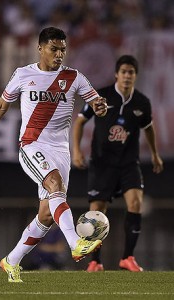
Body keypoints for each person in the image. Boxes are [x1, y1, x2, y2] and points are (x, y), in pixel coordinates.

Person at [0, 27, 107, 282]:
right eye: (54, 49)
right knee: (55, 185)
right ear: (40, 48)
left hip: (60, 151)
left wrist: (100, 106)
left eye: (62, 49)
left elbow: (96, 102)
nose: (59, 54)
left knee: (47, 215)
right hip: (32, 146)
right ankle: (75, 242)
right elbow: (1, 105)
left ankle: (11, 260)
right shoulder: (23, 74)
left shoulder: (75, 77)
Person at [72, 55, 163, 272]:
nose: (127, 76)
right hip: (102, 162)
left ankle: (127, 258)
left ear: (135, 76)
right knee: (97, 210)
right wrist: (76, 150)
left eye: (131, 72)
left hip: (128, 162)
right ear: (116, 74)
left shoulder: (142, 102)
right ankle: (95, 261)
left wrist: (155, 154)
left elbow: (148, 127)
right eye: (124, 71)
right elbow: (80, 121)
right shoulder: (101, 95)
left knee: (136, 203)